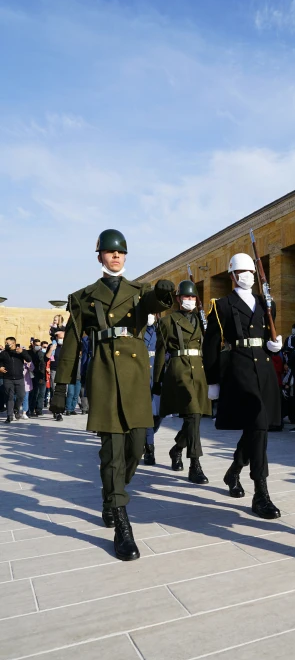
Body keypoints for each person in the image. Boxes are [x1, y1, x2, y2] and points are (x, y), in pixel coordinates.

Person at [50, 229, 175, 561]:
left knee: (136, 446)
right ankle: (122, 523)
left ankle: (112, 494)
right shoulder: (83, 297)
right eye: (109, 252)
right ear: (100, 256)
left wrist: (164, 293)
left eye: (120, 252)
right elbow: (73, 343)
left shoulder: (139, 291)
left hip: (134, 377)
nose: (116, 256)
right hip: (104, 374)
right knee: (113, 452)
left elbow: (154, 303)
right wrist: (61, 387)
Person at [203, 252, 282, 519]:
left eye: (251, 272)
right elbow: (211, 346)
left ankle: (233, 471)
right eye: (242, 272)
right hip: (240, 369)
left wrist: (274, 347)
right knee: (259, 426)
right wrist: (212, 381)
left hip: (264, 369)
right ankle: (261, 493)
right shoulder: (222, 305)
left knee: (257, 428)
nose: (247, 276)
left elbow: (268, 334)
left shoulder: (265, 303)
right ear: (233, 276)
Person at [153, 280, 210, 483]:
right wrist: (157, 381)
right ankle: (195, 465)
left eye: (193, 297)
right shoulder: (167, 322)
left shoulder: (201, 321)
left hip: (199, 370)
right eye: (186, 297)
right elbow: (160, 353)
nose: (190, 300)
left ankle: (177, 448)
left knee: (193, 417)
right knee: (193, 414)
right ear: (178, 299)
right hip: (179, 369)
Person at [143, 314, 162, 465]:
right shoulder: (137, 331)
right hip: (141, 377)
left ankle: (146, 438)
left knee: (159, 415)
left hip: (158, 377)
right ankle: (149, 449)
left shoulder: (161, 330)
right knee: (147, 415)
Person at [0, 338, 32, 423]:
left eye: (8, 343)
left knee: (21, 395)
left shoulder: (20, 352)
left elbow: (29, 359)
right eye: (5, 342)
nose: (6, 344)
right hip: (7, 378)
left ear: (13, 343)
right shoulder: (3, 353)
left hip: (19, 378)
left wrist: (23, 352)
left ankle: (16, 409)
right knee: (9, 397)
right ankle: (9, 416)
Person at [28, 339, 46, 417]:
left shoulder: (41, 354)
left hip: (40, 375)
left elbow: (43, 365)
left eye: (39, 345)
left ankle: (39, 409)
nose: (38, 346)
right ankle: (31, 409)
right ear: (33, 345)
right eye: (36, 345)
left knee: (41, 393)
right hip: (31, 375)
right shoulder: (29, 353)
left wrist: (42, 376)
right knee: (33, 394)